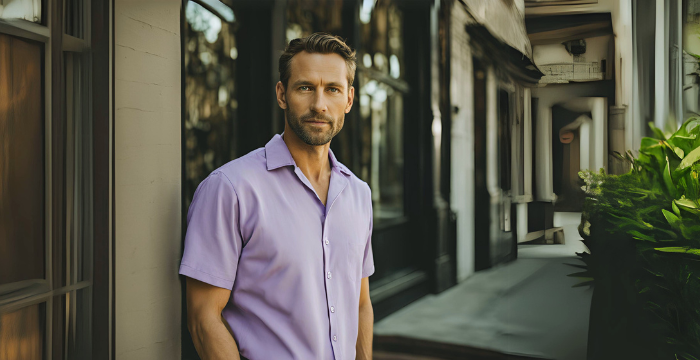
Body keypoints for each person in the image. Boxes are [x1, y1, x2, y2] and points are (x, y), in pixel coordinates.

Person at [180, 33, 374, 360]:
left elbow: (360, 302)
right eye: (305, 87)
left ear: (349, 100)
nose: (319, 105)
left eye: (333, 89)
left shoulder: (358, 193)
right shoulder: (230, 188)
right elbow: (203, 318)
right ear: (282, 94)